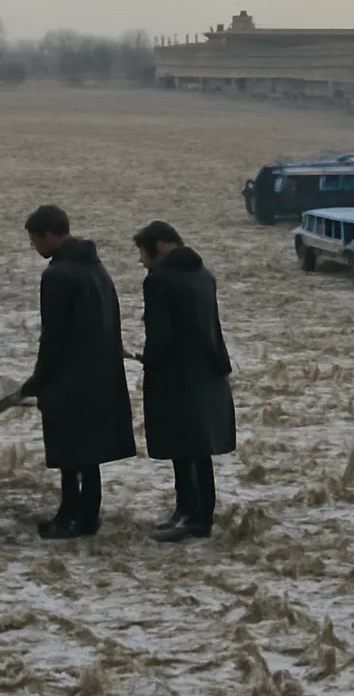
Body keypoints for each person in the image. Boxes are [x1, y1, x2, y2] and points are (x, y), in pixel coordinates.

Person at [20, 205, 136, 539]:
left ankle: (70, 516)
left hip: (68, 377)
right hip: (100, 373)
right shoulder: (96, 268)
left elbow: (53, 335)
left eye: (34, 240)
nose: (35, 248)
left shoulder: (58, 275)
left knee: (68, 450)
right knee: (89, 452)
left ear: (48, 235)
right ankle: (87, 515)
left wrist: (39, 380)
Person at [133, 220, 236, 542]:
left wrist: (146, 359)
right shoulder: (203, 276)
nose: (141, 261)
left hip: (175, 377)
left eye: (142, 253)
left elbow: (160, 334)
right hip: (206, 373)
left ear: (160, 246)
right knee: (198, 449)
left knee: (182, 447)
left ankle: (189, 517)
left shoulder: (160, 281)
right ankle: (197, 513)